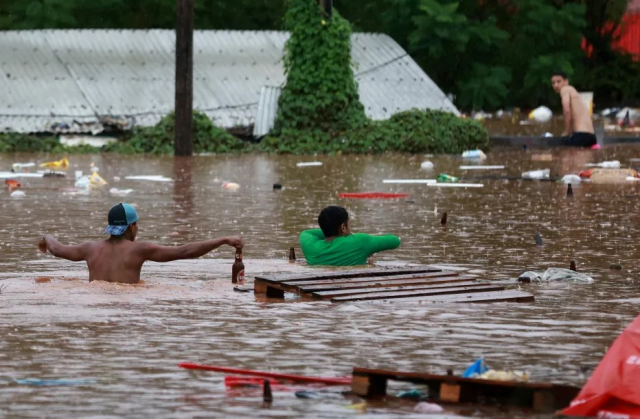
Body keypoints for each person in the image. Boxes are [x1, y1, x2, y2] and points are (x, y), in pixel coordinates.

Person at [38, 203, 243, 284]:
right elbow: (185, 251)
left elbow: (56, 249)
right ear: (131, 227)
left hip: (96, 302)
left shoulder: (90, 249)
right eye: (136, 225)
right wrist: (223, 240)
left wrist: (46, 237)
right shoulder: (140, 249)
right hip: (128, 304)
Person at [299, 206, 400, 266]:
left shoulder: (310, 245)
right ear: (343, 227)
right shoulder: (360, 241)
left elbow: (307, 232)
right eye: (349, 224)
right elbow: (395, 241)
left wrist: (328, 230)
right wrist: (350, 235)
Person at [551, 71, 596, 147]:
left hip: (581, 134)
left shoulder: (565, 89)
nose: (556, 85)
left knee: (567, 157)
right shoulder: (575, 94)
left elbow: (566, 110)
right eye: (553, 83)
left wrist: (567, 131)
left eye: (559, 81)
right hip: (591, 136)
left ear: (566, 81)